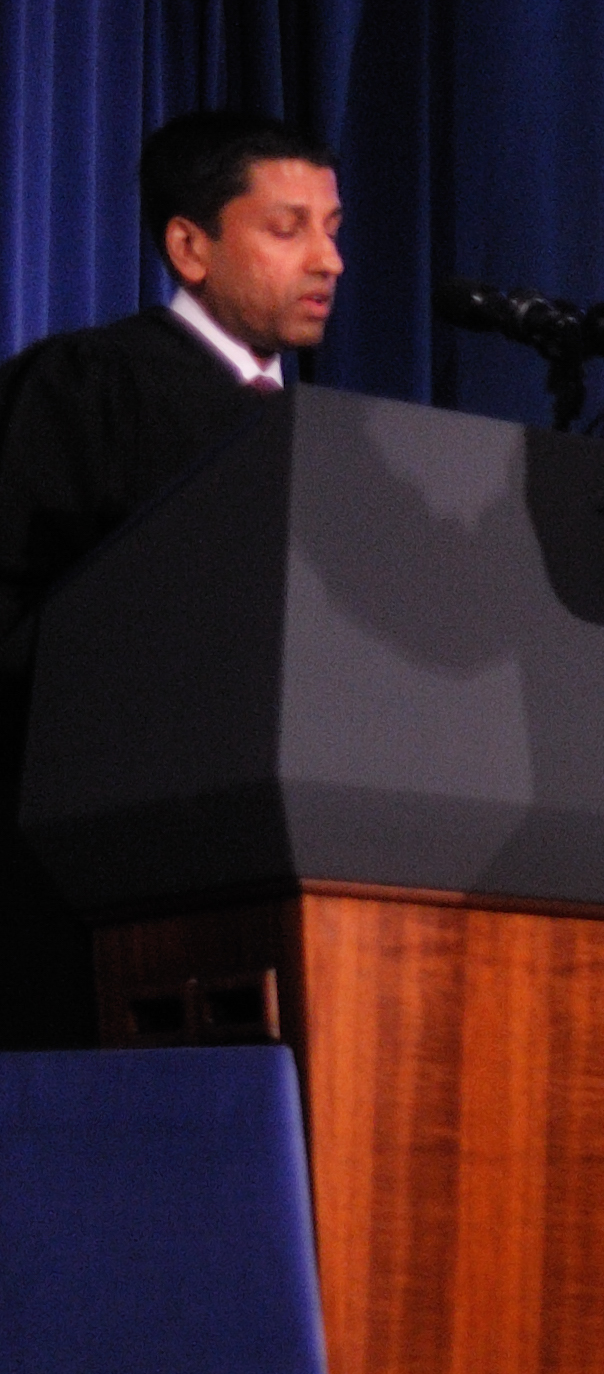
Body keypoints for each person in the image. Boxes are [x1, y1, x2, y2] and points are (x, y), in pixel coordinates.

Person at [0, 111, 336, 1047]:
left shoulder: (316, 440)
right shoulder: (89, 388)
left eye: (333, 227)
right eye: (288, 227)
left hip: (267, 886)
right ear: (189, 246)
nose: (328, 260)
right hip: (83, 902)